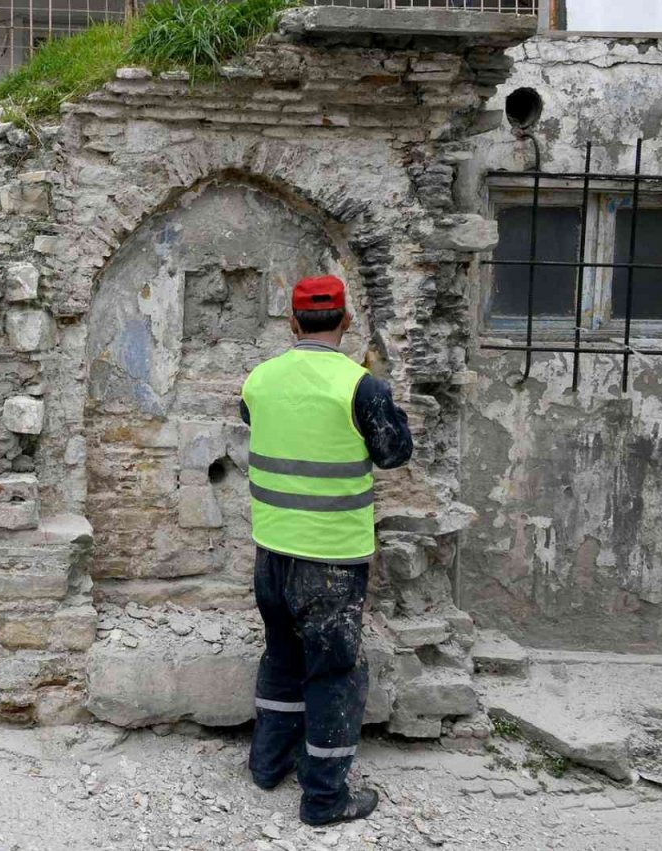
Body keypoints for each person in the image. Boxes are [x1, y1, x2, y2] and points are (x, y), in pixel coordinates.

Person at [240, 275, 413, 826]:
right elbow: (393, 454)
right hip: (332, 558)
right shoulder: (361, 386)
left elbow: (257, 423)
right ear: (344, 322)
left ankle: (267, 766)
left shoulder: (259, 379)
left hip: (272, 551)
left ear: (291, 322)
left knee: (282, 657)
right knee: (334, 671)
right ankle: (323, 800)